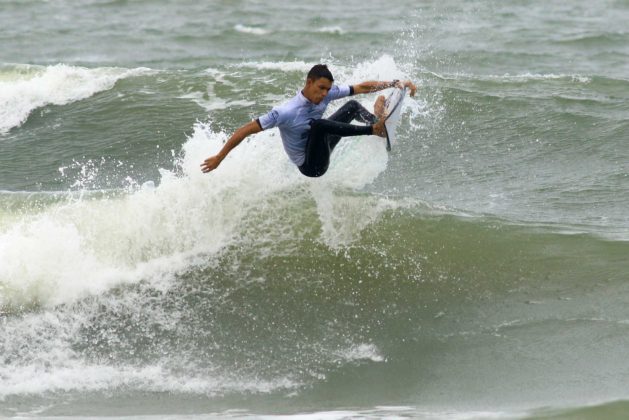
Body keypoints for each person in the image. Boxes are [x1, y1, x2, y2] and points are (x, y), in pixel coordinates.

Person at [201, 64, 416, 177]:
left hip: (322, 144)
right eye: (321, 88)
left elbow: (360, 88)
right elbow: (246, 130)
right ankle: (374, 129)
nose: (324, 94)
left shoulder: (327, 92)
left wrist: (394, 83)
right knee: (319, 125)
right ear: (309, 82)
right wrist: (220, 157)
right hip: (311, 166)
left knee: (351, 106)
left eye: (328, 90)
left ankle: (378, 121)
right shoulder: (285, 112)